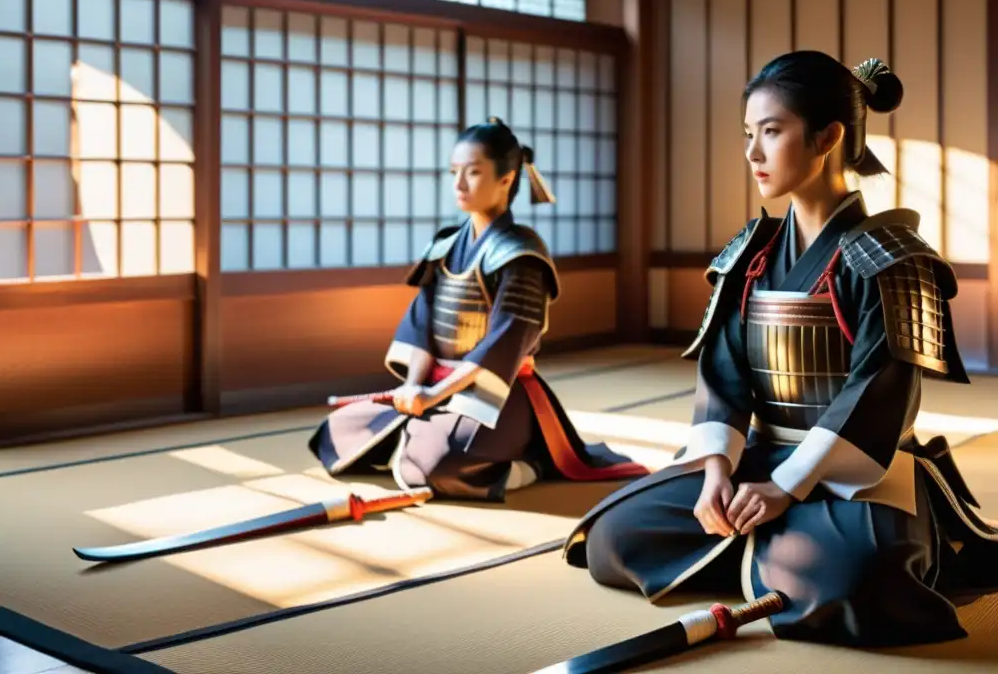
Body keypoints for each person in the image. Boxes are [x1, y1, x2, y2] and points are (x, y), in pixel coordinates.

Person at [563, 52, 998, 647]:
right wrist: (717, 468)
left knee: (861, 580)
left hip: (855, 472)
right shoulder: (753, 253)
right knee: (614, 539)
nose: (752, 153)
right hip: (755, 463)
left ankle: (772, 545)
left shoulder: (894, 259)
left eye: (771, 131)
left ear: (828, 136)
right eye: (749, 134)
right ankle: (780, 550)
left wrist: (785, 487)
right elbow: (723, 376)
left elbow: (878, 394)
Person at [310, 117, 649, 501]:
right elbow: (420, 325)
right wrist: (413, 386)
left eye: (472, 173)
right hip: (436, 388)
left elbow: (502, 347)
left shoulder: (522, 255)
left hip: (496, 395)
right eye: (454, 172)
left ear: (506, 179)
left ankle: (529, 466)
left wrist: (433, 396)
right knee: (337, 432)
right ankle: (415, 439)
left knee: (436, 464)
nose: (458, 184)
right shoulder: (445, 245)